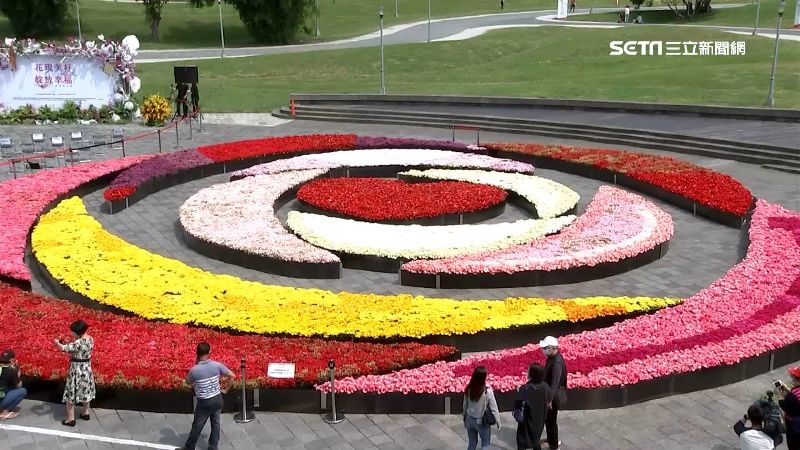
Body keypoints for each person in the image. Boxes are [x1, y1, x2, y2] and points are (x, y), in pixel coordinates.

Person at [177, 342, 234, 450]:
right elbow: (232, 376)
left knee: (197, 425)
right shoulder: (217, 365)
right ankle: (213, 447)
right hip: (217, 399)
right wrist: (226, 389)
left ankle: (189, 447)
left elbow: (189, 381)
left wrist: (196, 363)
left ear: (197, 353)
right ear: (209, 352)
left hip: (204, 402)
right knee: (216, 424)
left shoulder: (194, 370)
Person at [53, 319, 95, 427]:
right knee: (86, 390)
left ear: (78, 332)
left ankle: (70, 419)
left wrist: (57, 342)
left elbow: (64, 348)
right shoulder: (90, 339)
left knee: (71, 394)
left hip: (77, 369)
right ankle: (86, 413)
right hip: (87, 368)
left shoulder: (77, 343)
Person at [463, 365, 501, 450]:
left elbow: (465, 405)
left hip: (469, 418)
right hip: (481, 421)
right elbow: (494, 408)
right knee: (485, 444)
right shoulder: (487, 391)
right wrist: (498, 422)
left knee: (472, 443)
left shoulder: (468, 388)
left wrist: (464, 417)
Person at [516, 363, 551, 450]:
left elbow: (518, 404)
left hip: (526, 420)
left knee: (521, 440)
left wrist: (519, 390)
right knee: (536, 439)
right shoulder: (545, 387)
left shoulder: (525, 388)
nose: (526, 372)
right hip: (539, 418)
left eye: (528, 371)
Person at [540, 336, 566, 450]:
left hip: (553, 398)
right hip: (551, 395)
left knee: (551, 421)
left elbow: (555, 383)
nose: (543, 350)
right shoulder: (552, 358)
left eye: (546, 348)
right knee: (549, 420)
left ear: (552, 348)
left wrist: (549, 400)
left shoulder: (556, 363)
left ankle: (554, 445)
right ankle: (551, 440)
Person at [0, 349, 26, 420]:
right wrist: (17, 375)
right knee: (22, 391)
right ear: (12, 360)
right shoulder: (10, 370)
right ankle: (4, 412)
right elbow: (19, 386)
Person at [779, 366, 800, 450]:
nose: (792, 381)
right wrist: (787, 389)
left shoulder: (792, 397)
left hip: (794, 426)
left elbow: (785, 406)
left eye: (794, 379)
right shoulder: (795, 392)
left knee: (793, 445)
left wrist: (780, 395)